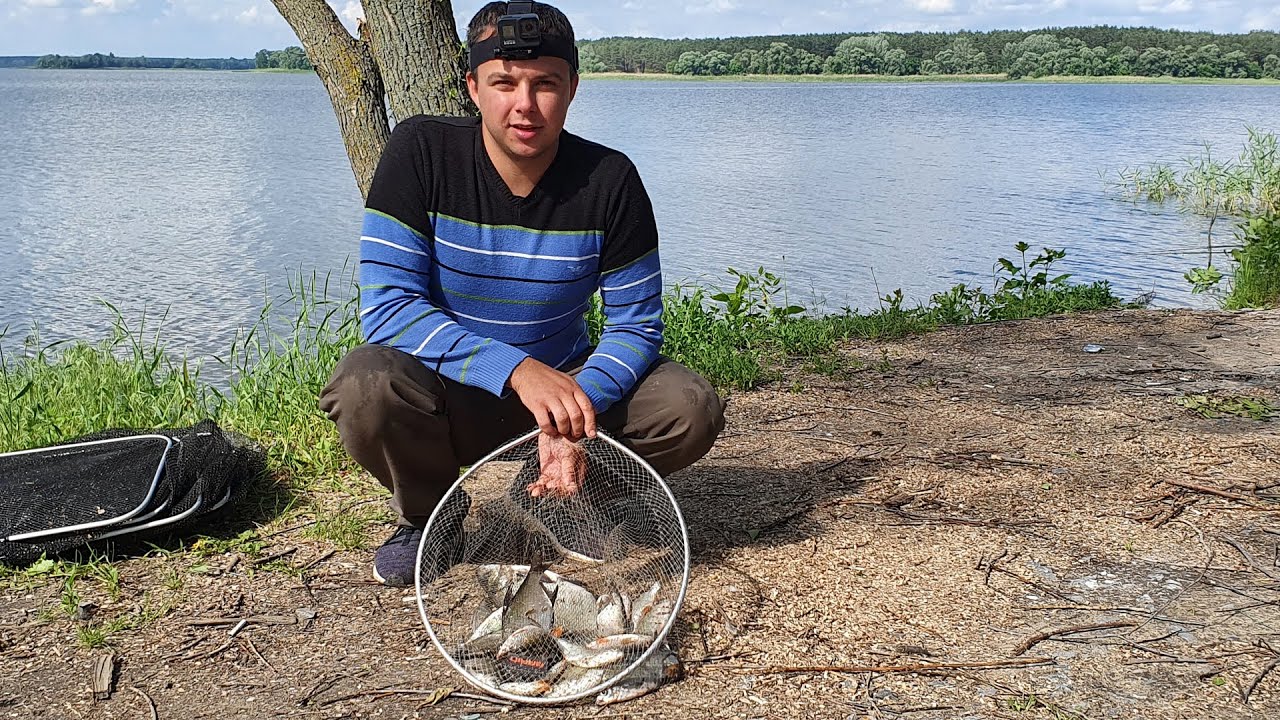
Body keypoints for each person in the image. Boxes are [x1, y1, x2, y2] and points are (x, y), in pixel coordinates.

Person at [319, 1, 725, 587]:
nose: (525, 105)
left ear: (573, 88)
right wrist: (517, 371)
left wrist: (571, 409)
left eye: (546, 85)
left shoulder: (610, 180)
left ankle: (556, 494)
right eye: (504, 83)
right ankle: (433, 517)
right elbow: (388, 310)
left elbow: (636, 326)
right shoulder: (420, 153)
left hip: (569, 387)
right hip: (451, 395)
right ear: (473, 86)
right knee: (366, 384)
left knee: (688, 408)